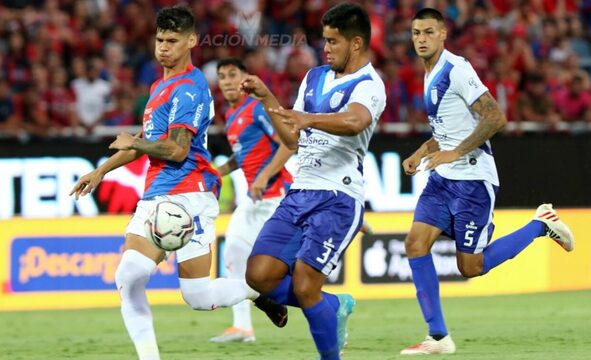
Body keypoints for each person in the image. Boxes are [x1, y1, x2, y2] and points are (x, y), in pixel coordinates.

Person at [69, 6, 284, 360]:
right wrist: (101, 171)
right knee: (128, 277)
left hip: (189, 194)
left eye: (172, 40)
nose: (163, 47)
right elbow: (144, 137)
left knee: (197, 296)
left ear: (191, 41)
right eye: (159, 40)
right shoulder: (159, 86)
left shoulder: (190, 87)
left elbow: (178, 149)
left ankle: (255, 292)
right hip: (155, 195)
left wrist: (135, 143)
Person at [400, 8, 575, 355]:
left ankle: (540, 225)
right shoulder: (429, 73)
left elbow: (496, 117)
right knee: (414, 244)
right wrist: (422, 151)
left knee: (471, 267)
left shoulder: (456, 69)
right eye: (416, 32)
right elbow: (447, 131)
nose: (421, 38)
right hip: (442, 179)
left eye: (428, 32)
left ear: (443, 34)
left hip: (472, 181)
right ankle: (438, 337)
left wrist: (455, 153)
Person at [240, 3, 386, 359]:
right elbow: (293, 135)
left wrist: (310, 119)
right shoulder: (314, 77)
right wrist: (267, 98)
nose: (326, 48)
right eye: (325, 40)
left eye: (333, 42)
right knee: (258, 276)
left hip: (338, 196)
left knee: (306, 286)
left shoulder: (370, 84)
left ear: (355, 44)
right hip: (300, 191)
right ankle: (332, 305)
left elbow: (354, 121)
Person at [209, 58, 295, 343]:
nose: (227, 81)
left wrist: (263, 176)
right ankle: (242, 327)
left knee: (289, 268)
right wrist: (220, 171)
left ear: (246, 78)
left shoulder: (257, 108)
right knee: (232, 251)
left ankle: (329, 311)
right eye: (222, 76)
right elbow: (243, 155)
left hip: (277, 198)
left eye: (233, 74)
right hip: (254, 200)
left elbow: (287, 142)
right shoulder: (232, 116)